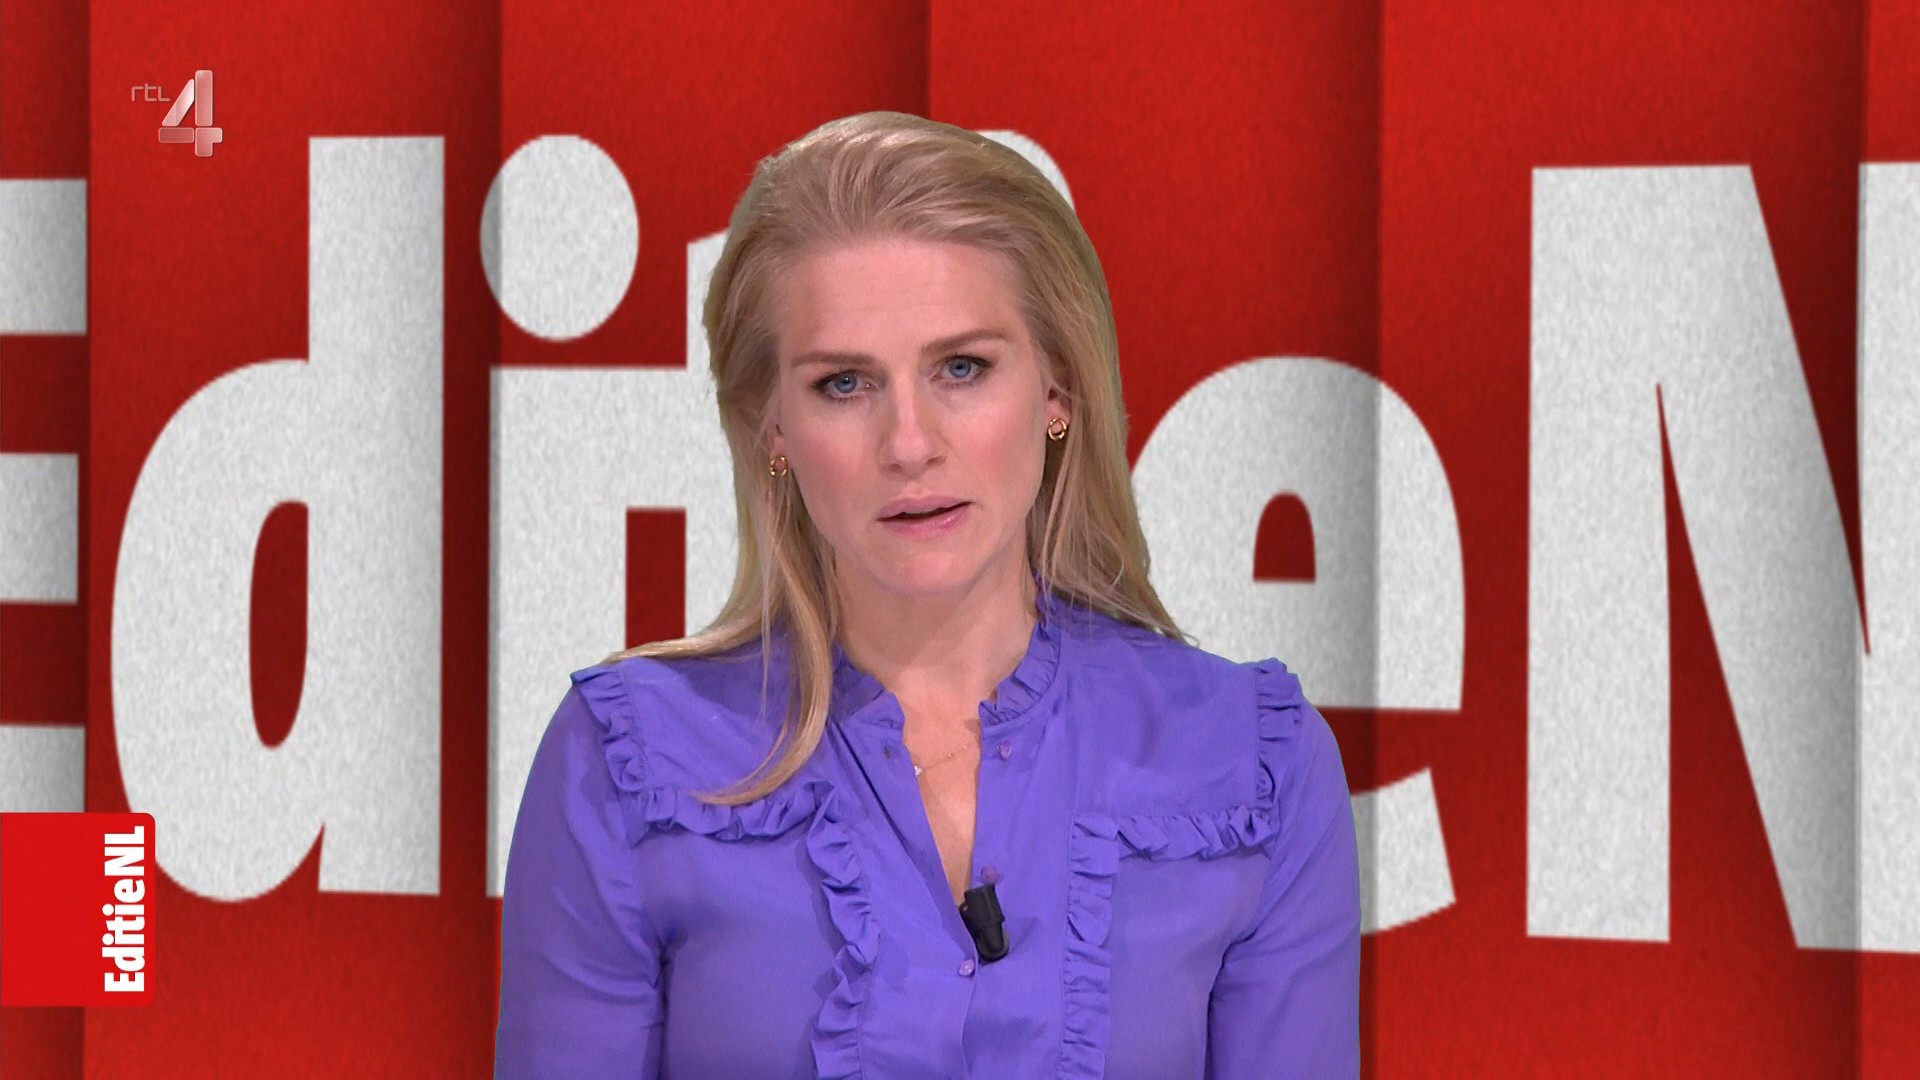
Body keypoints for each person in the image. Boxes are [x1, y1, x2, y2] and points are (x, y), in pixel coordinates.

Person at [493, 110, 1359, 1079]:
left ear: (1057, 392)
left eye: (962, 368)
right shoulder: (624, 760)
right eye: (844, 384)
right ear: (772, 428)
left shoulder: (1254, 762)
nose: (908, 443)